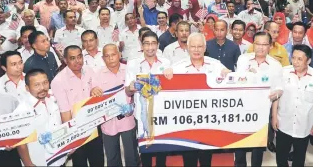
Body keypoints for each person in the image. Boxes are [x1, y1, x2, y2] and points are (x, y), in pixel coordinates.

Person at [164, 32, 231, 167]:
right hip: (186, 123)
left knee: (206, 159)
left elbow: (230, 83)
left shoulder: (216, 65)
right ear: (187, 48)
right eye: (193, 46)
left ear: (205, 48)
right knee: (189, 159)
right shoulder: (177, 67)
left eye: (200, 46)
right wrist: (165, 76)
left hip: (209, 122)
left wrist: (229, 75)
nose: (196, 50)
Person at [235, 31, 284, 167]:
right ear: (253, 44)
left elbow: (278, 90)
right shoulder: (243, 59)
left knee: (258, 149)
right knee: (239, 146)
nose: (261, 47)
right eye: (257, 44)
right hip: (241, 110)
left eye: (264, 44)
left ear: (270, 46)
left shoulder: (276, 66)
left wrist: (274, 115)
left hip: (262, 113)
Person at [51, 45, 105, 167]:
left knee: (98, 160)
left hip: (93, 124)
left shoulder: (89, 70)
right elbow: (65, 112)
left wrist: (95, 89)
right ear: (65, 60)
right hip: (76, 129)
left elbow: (96, 90)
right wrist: (71, 137)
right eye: (73, 58)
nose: (77, 61)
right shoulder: (58, 81)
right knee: (80, 162)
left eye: (79, 57)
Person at [125, 31, 171, 167]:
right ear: (141, 44)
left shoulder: (166, 62)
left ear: (158, 45)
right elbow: (127, 91)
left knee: (162, 153)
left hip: (162, 114)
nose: (150, 47)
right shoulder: (133, 63)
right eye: (146, 43)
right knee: (146, 154)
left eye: (153, 43)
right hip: (142, 114)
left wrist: (171, 73)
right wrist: (131, 87)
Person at [274, 44, 313, 166]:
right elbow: (276, 97)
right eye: (294, 57)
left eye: (300, 59)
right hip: (284, 123)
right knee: (281, 157)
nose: (295, 62)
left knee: (299, 158)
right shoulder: (283, 72)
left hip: (304, 126)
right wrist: (274, 117)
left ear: (309, 60)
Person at [89, 44, 139, 167]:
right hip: (108, 121)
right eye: (107, 56)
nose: (111, 58)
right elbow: (93, 95)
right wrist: (93, 91)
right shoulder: (97, 74)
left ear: (119, 55)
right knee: (112, 156)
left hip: (128, 118)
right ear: (103, 58)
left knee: (131, 153)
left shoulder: (129, 70)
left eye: (113, 54)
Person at [17, 68, 65, 166]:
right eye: (37, 85)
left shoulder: (54, 96)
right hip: (39, 161)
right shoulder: (22, 110)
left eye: (45, 82)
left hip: (60, 156)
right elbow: (21, 143)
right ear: (27, 88)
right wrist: (28, 163)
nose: (42, 87)